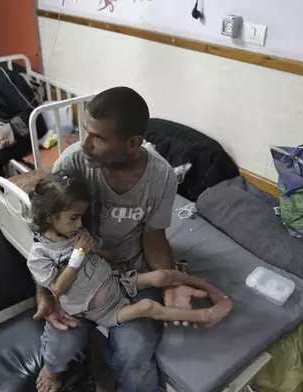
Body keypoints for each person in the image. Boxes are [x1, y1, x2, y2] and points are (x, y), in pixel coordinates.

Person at [35, 87, 206, 392]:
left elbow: (154, 235)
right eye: (85, 131)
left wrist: (171, 283)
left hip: (130, 276)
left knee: (134, 353)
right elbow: (48, 231)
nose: (83, 143)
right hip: (78, 273)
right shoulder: (74, 162)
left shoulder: (161, 176)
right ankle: (58, 369)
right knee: (62, 337)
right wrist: (46, 293)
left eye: (98, 138)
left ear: (133, 143)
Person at [28, 173, 232, 330]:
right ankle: (207, 316)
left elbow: (103, 256)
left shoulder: (75, 232)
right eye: (74, 217)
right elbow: (57, 289)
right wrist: (77, 255)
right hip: (103, 310)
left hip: (116, 280)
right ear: (49, 217)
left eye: (81, 216)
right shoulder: (40, 255)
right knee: (148, 307)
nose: (80, 223)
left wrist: (98, 251)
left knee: (162, 275)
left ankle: (207, 286)